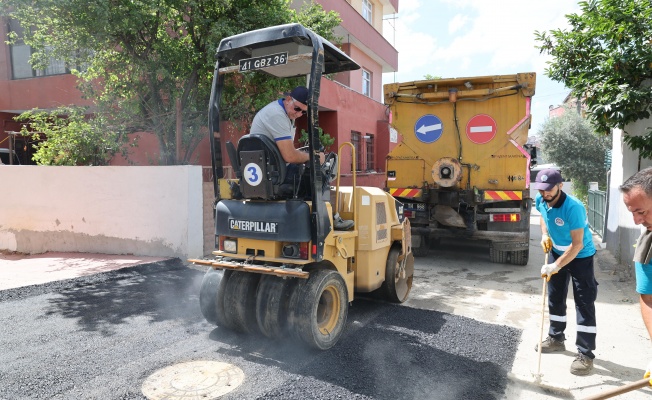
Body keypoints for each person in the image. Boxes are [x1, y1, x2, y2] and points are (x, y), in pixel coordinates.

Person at [249, 86, 353, 230]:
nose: (299, 114)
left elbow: (284, 152)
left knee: (311, 166)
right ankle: (328, 220)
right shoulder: (277, 115)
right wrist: (314, 157)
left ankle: (316, 217)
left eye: (303, 112)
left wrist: (305, 155)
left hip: (268, 169)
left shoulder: (282, 113)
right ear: (288, 99)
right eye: (297, 109)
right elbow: (290, 156)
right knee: (318, 173)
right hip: (272, 174)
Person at [533, 168, 597, 376]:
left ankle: (586, 355)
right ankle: (556, 338)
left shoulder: (574, 208)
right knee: (555, 297)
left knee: (584, 302)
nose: (545, 194)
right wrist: (544, 235)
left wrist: (556, 265)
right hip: (557, 251)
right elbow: (543, 215)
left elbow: (577, 245)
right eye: (542, 190)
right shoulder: (541, 199)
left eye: (549, 189)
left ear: (560, 185)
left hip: (580, 256)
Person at [619, 167, 652, 386]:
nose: (636, 221)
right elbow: (648, 300)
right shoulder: (647, 247)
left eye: (641, 212)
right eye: (632, 213)